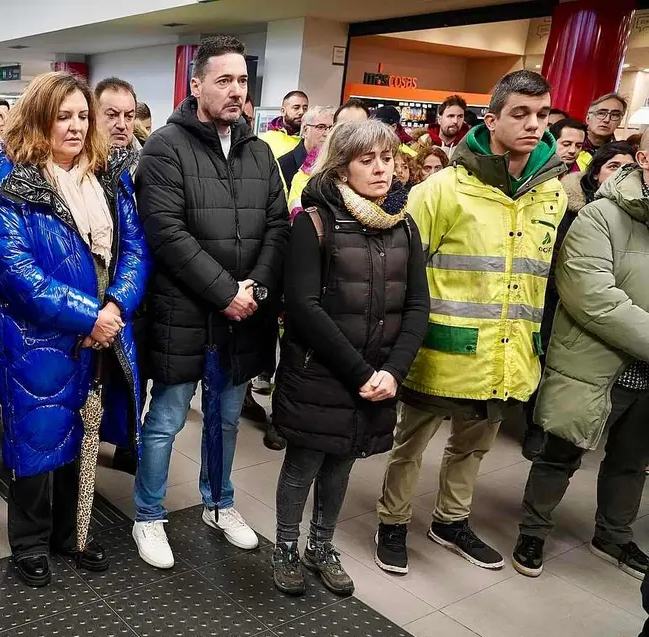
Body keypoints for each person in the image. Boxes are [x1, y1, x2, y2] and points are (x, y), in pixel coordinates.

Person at [373, 70, 567, 576]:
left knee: (473, 446)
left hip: (505, 351)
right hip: (439, 347)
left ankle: (450, 520)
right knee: (410, 443)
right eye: (520, 113)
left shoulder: (553, 194)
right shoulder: (443, 189)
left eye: (542, 114)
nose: (533, 124)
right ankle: (392, 522)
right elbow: (403, 269)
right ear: (493, 118)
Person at [0, 72, 148, 586]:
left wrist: (116, 306)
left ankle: (71, 533)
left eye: (83, 116)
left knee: (84, 432)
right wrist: (88, 315)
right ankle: (30, 542)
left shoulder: (106, 175)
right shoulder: (12, 180)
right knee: (37, 439)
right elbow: (15, 273)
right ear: (39, 119)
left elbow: (134, 248)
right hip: (38, 337)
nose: (75, 127)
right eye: (63, 117)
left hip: (103, 331)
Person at [131, 35, 287, 569]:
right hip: (185, 312)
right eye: (224, 80)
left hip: (243, 316)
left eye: (243, 81)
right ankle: (148, 516)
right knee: (167, 419)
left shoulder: (260, 151)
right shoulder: (165, 147)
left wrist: (254, 292)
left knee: (224, 418)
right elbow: (167, 234)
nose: (235, 90)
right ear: (195, 85)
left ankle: (219, 503)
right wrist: (225, 293)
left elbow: (275, 227)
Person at [272, 120, 429, 597]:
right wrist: (363, 373)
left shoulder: (404, 224)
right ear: (342, 166)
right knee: (303, 465)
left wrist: (393, 372)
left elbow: (419, 305)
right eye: (367, 160)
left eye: (387, 158)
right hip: (321, 370)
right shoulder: (314, 221)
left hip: (379, 371)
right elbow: (303, 306)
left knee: (343, 462)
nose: (381, 169)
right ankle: (284, 546)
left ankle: (321, 546)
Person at [512, 143, 649, 582]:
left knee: (631, 461)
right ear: (644, 158)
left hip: (646, 374)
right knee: (561, 451)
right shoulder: (601, 215)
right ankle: (533, 530)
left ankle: (614, 535)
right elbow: (592, 296)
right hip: (596, 363)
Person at [520, 139, 637, 460]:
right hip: (557, 300)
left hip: (613, 316)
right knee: (546, 366)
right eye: (613, 166)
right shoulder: (575, 207)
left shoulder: (635, 212)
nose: (620, 174)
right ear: (596, 172)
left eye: (627, 167)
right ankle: (534, 430)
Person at [281, 105, 335, 214]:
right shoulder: (283, 164)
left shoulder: (335, 165)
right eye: (320, 127)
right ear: (305, 130)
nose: (327, 133)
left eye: (331, 128)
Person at [580, 94, 626, 171]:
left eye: (615, 115)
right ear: (588, 118)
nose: (607, 120)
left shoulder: (621, 153)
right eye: (601, 113)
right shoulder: (570, 145)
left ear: (620, 122)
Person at [260, 90, 308, 160]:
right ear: (283, 111)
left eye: (305, 108)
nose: (301, 112)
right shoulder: (266, 139)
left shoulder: (310, 139)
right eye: (296, 108)